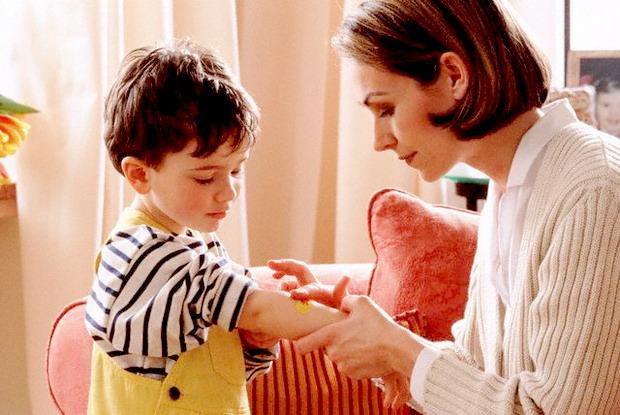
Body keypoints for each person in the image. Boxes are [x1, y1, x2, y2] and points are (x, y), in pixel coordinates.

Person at [272, 1, 620, 413]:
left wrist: (399, 350)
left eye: (386, 109)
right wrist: (369, 337)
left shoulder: (593, 189)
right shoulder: (512, 188)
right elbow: (481, 372)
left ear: (453, 76)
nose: (379, 141)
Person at [84, 39, 349, 415]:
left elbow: (217, 375)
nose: (229, 191)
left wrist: (252, 342)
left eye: (236, 170)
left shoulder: (200, 245)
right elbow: (256, 308)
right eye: (206, 177)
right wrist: (348, 325)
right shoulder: (141, 254)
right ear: (140, 174)